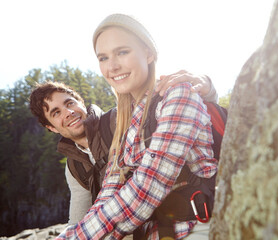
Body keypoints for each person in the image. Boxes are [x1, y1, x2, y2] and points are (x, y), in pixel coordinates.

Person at [56, 13, 218, 240]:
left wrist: (78, 237)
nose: (112, 66)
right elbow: (109, 191)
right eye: (103, 58)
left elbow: (148, 186)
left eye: (122, 52)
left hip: (200, 227)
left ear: (149, 53)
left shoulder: (177, 94)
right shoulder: (124, 121)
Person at [29, 72, 217, 226]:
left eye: (69, 103)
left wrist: (206, 85)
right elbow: (78, 219)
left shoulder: (119, 119)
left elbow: (180, 105)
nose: (68, 113)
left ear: (81, 103)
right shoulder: (74, 167)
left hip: (186, 217)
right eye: (56, 113)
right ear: (52, 128)